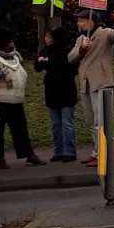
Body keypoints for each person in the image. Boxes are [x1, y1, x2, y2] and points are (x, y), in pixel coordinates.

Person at [71, 4, 114, 170]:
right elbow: (71, 58)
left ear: (91, 21)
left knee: (102, 122)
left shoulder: (104, 33)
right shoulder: (81, 39)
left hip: (102, 83)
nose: (78, 24)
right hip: (86, 84)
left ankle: (105, 154)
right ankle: (96, 152)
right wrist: (81, 50)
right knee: (91, 121)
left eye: (81, 21)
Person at [0, 28, 42, 167]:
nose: (12, 44)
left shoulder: (16, 56)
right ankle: (0, 159)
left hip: (16, 99)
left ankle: (29, 155)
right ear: (2, 43)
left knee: (21, 129)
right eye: (9, 41)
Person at [36, 27, 79, 162]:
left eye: (49, 37)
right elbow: (37, 66)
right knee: (56, 123)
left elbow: (70, 66)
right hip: (51, 90)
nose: (46, 39)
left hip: (66, 90)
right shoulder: (44, 51)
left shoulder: (66, 50)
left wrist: (47, 62)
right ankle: (58, 151)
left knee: (67, 122)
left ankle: (70, 151)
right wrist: (41, 61)